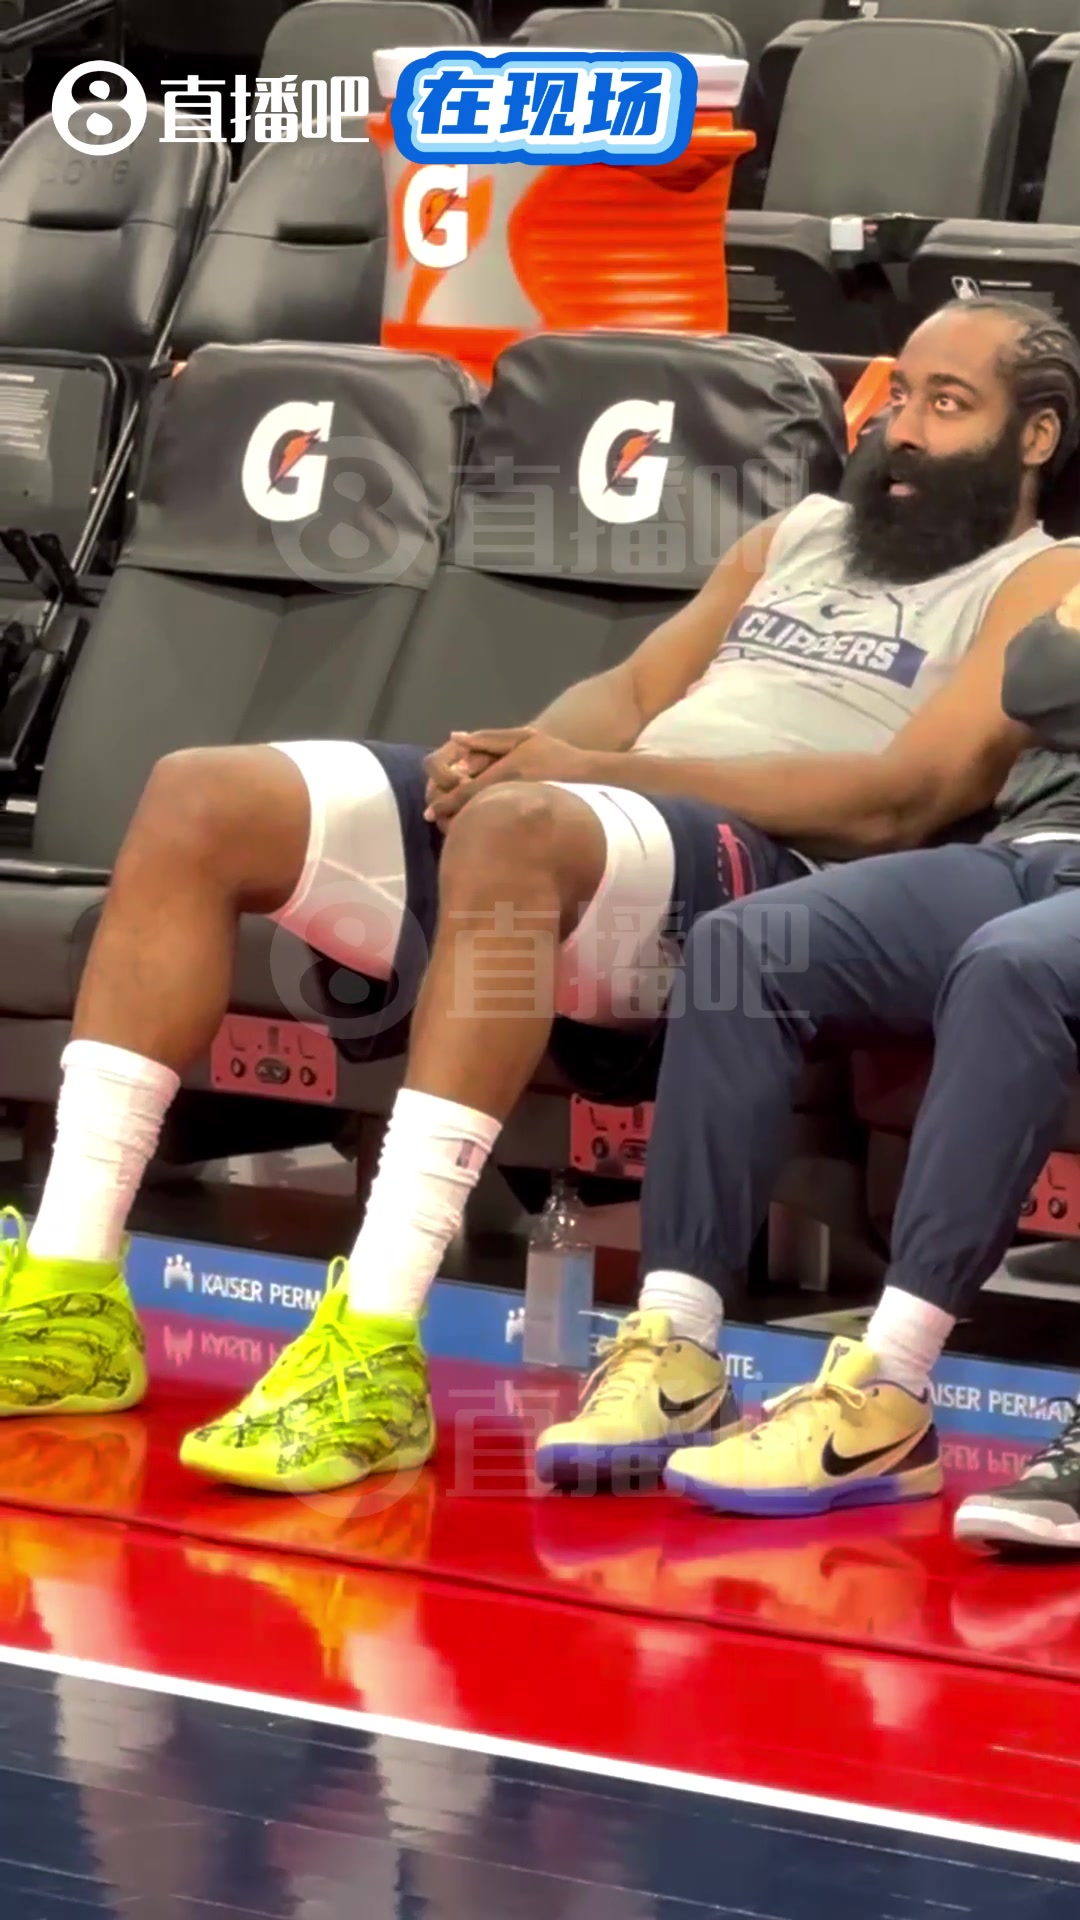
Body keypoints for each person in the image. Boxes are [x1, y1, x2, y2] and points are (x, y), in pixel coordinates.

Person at [3, 297, 1080, 1498]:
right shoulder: (797, 534)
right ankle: (70, 1290)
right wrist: (515, 749)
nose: (908, 429)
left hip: (768, 869)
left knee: (519, 831)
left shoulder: (1044, 578)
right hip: (596, 822)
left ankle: (375, 1343)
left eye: (951, 404)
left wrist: (580, 778)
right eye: (902, 397)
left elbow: (903, 798)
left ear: (1035, 438)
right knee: (201, 797)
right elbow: (626, 696)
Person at [538, 586, 1080, 1549]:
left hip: (1040, 928)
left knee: (1014, 969)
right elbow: (1040, 682)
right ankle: (677, 1349)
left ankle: (889, 1387)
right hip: (1030, 853)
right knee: (747, 945)